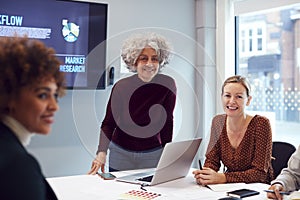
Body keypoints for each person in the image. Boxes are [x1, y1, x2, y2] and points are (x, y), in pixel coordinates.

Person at [88, 32, 177, 174]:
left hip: (152, 152)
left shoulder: (167, 84)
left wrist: (167, 155)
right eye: (143, 59)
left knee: (150, 192)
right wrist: (101, 153)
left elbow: (167, 122)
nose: (149, 64)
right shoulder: (122, 86)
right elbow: (109, 123)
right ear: (134, 62)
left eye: (154, 59)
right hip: (121, 152)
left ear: (161, 62)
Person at [0, 36, 66, 199]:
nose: (54, 106)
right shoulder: (16, 166)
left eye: (55, 95)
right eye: (43, 95)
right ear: (8, 95)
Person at [193, 75, 274, 185]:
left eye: (239, 97)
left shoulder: (261, 124)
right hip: (229, 188)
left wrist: (224, 178)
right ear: (222, 97)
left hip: (257, 189)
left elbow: (260, 173)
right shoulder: (218, 122)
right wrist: (206, 175)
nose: (232, 101)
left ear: (248, 100)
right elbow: (212, 160)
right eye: (227, 95)